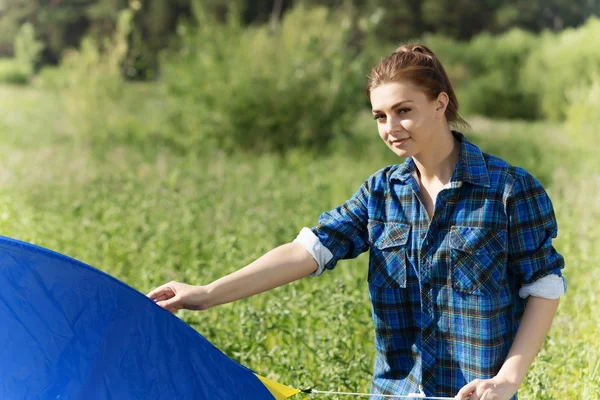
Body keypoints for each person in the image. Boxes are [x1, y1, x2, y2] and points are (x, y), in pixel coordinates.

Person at [147, 44, 566, 400]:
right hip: (396, 391)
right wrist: (205, 293)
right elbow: (306, 251)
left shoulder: (509, 189)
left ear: (439, 104)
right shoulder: (380, 193)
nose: (391, 128)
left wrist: (508, 379)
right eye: (380, 116)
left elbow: (543, 287)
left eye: (404, 110)